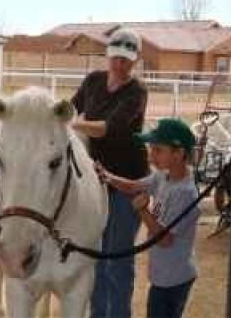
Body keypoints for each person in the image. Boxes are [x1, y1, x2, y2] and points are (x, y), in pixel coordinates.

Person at [70, 28, 149, 318]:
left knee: (118, 259)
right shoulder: (92, 81)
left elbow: (109, 129)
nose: (120, 64)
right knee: (96, 257)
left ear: (136, 60)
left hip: (126, 184)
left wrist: (73, 126)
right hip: (96, 182)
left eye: (126, 59)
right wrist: (52, 116)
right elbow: (70, 107)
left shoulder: (137, 92)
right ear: (108, 54)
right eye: (116, 57)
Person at [95, 118, 201, 318]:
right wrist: (107, 176)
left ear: (178, 154)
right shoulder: (164, 176)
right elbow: (134, 186)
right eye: (151, 149)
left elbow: (165, 240)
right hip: (164, 273)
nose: (151, 156)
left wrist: (143, 210)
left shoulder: (185, 193)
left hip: (174, 277)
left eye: (158, 150)